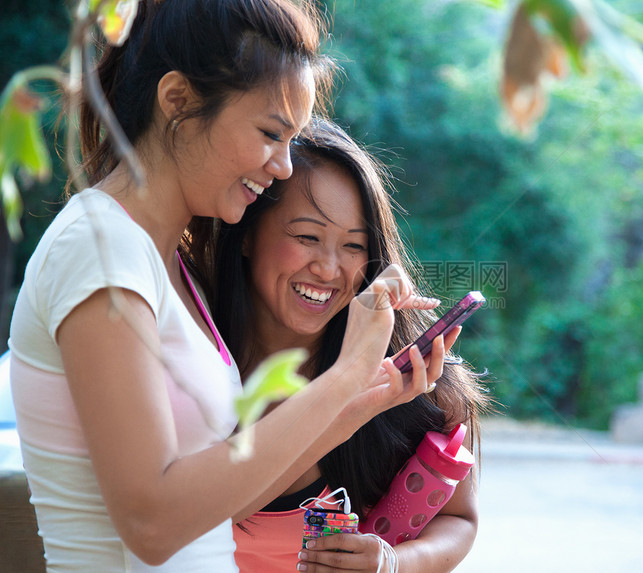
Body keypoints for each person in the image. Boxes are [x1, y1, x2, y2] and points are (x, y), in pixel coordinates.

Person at [8, 1, 445, 571]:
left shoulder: (167, 261)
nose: (285, 167)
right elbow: (152, 523)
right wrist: (340, 380)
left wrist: (374, 390)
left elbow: (225, 494)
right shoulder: (100, 249)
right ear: (178, 102)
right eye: (270, 132)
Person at [210, 117, 491, 573]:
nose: (329, 268)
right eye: (306, 237)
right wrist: (353, 397)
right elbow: (202, 512)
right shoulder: (195, 359)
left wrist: (392, 562)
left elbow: (460, 520)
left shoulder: (410, 384)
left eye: (354, 247)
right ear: (247, 235)